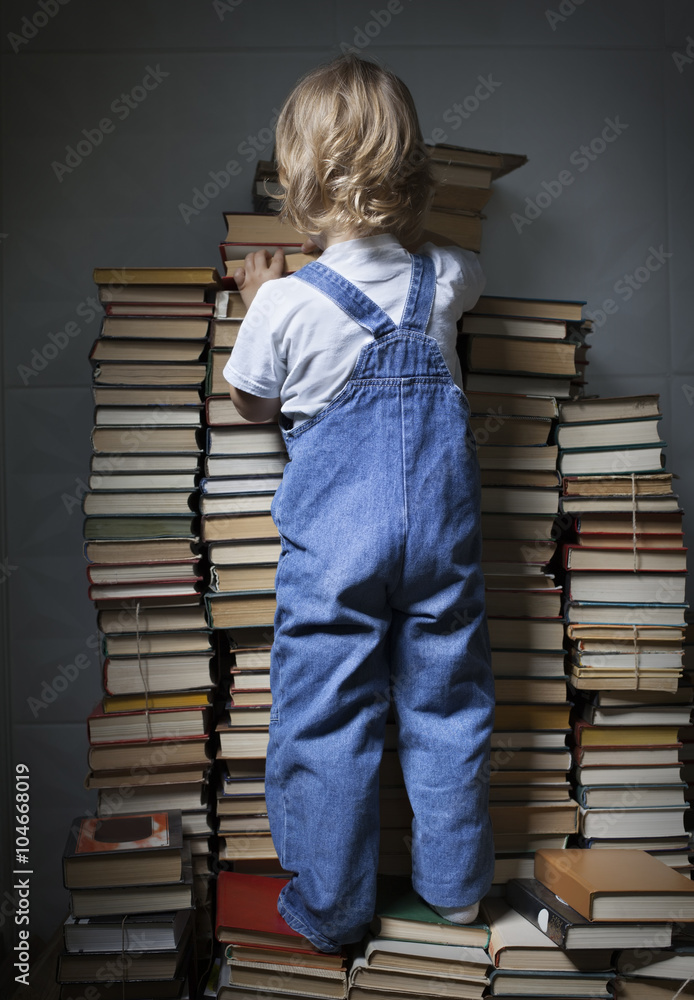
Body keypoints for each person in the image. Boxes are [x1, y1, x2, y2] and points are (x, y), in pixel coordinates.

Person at [223, 53, 495, 954]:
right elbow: (459, 271)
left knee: (326, 716)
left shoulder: (287, 304)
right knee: (447, 704)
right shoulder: (450, 276)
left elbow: (252, 403)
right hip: (442, 546)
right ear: (413, 174)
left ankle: (335, 910)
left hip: (336, 551)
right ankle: (455, 892)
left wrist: (260, 296)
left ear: (299, 182)